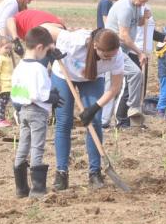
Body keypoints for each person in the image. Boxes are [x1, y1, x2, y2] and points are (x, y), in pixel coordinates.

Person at [51, 28, 124, 190]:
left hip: (92, 79)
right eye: (106, 56)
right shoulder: (75, 40)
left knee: (95, 122)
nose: (110, 59)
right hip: (64, 76)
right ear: (95, 46)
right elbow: (47, 30)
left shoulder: (117, 55)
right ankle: (61, 172)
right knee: (64, 122)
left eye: (112, 55)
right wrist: (51, 49)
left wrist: (95, 107)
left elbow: (115, 86)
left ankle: (95, 173)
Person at [11, 27, 62, 198]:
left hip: (23, 111)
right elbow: (39, 94)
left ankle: (21, 188)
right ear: (39, 48)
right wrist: (52, 97)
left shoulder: (19, 67)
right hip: (37, 113)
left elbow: (18, 92)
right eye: (47, 51)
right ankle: (38, 189)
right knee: (37, 147)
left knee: (23, 146)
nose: (47, 55)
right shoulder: (38, 69)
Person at [105, 0, 152, 128]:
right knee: (135, 73)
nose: (142, 4)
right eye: (141, 0)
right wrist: (139, 53)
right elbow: (124, 35)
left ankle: (104, 121)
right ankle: (133, 108)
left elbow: (137, 23)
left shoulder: (137, 5)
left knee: (110, 85)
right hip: (112, 48)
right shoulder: (125, 7)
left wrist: (144, 18)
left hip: (122, 48)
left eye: (145, 1)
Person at [0, 37, 15, 128]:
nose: (8, 50)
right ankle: (0, 119)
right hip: (3, 84)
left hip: (9, 84)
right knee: (3, 102)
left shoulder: (6, 57)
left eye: (9, 48)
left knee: (5, 102)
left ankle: (2, 118)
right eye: (6, 48)